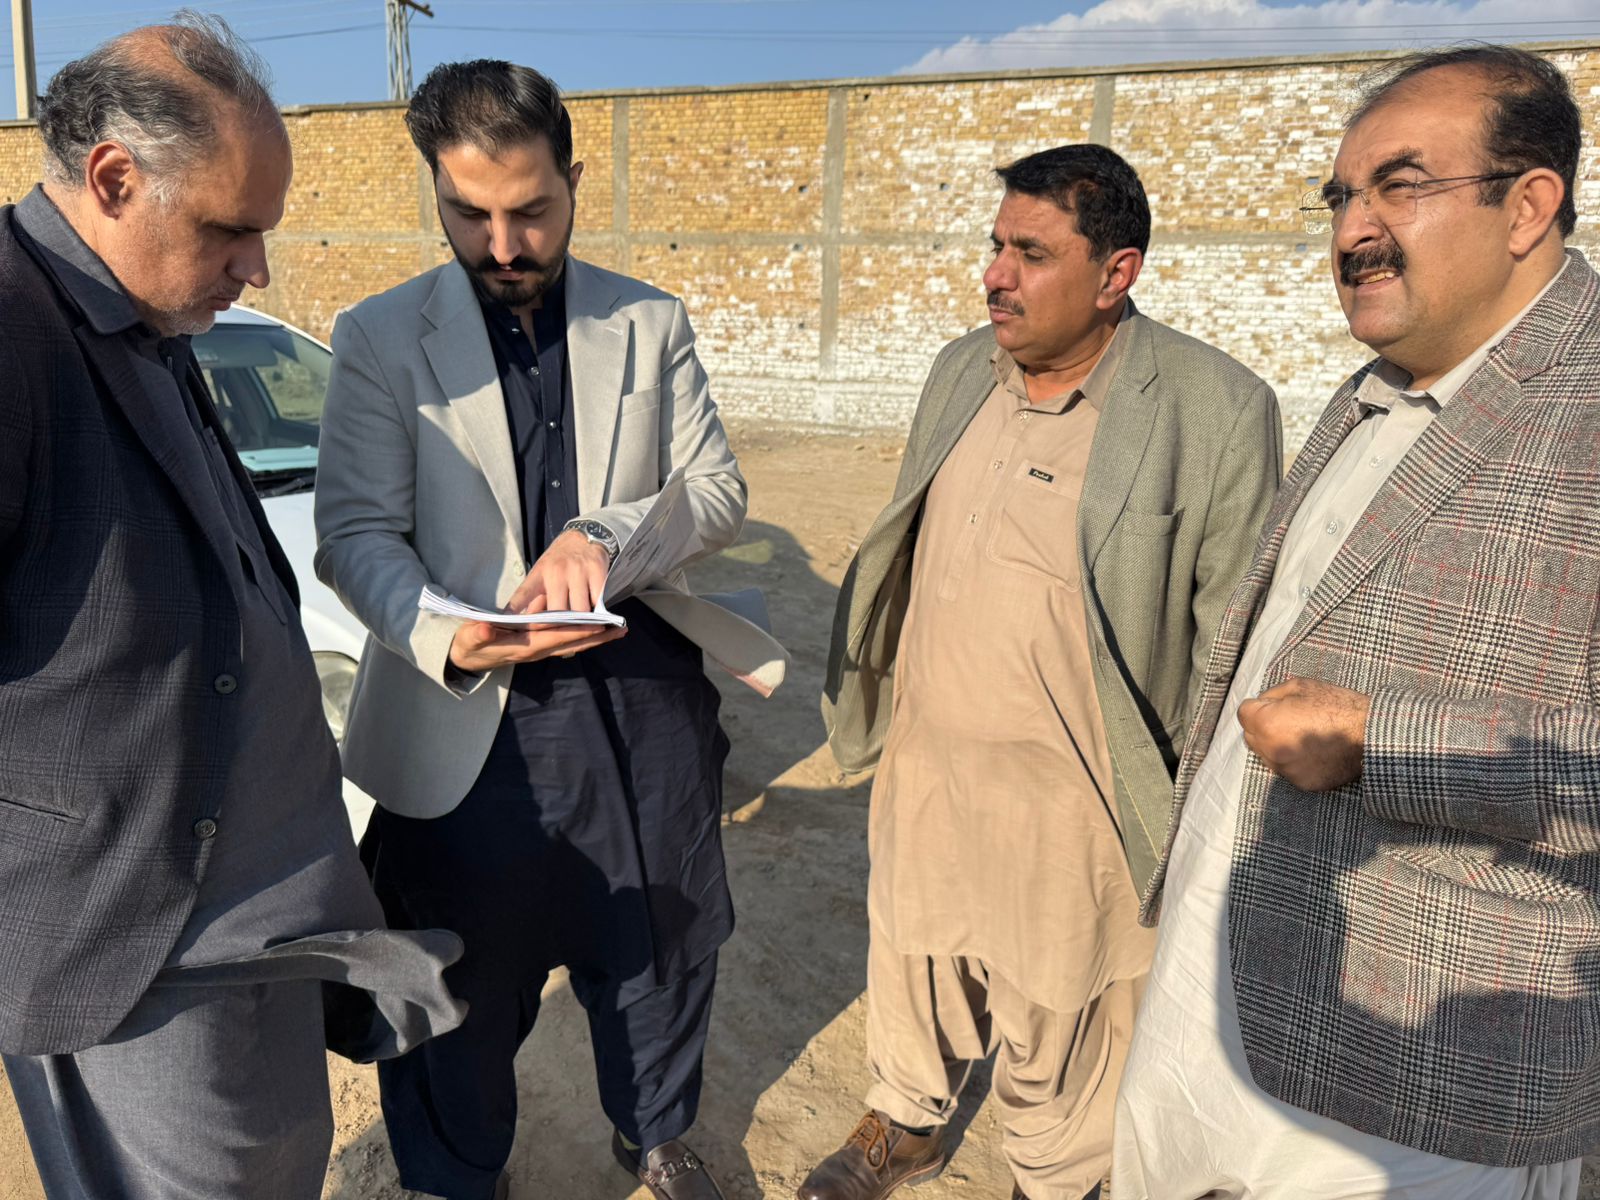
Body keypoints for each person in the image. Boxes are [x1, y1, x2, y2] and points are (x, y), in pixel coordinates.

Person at [1113, 44, 1597, 1199]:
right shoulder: (1373, 386)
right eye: (1339, 195)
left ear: (1528, 205)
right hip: (1218, 996)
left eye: (1400, 185)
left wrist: (1385, 743)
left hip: (1421, 1081)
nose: (1352, 230)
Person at [0, 15, 465, 1200]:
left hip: (264, 929)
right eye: (229, 229)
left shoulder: (145, 312)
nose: (257, 268)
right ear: (114, 179)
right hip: (134, 951)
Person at [313, 59, 785, 1200]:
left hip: (645, 707)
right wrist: (446, 635)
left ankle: (655, 1132)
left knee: (662, 949)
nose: (503, 244)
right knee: (458, 987)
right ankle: (454, 1174)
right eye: (468, 213)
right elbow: (355, 534)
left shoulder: (650, 321)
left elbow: (715, 491)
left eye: (531, 210)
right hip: (467, 724)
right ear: (436, 190)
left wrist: (604, 537)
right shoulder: (379, 336)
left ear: (575, 178)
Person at [805, 144, 1282, 1200]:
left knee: (1062, 1013)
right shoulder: (958, 370)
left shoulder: (1212, 408)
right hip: (930, 763)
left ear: (1117, 273)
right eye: (995, 247)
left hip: (1074, 804)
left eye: (1030, 253)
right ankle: (908, 1120)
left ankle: (1053, 1178)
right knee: (915, 957)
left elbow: (1232, 641)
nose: (995, 276)